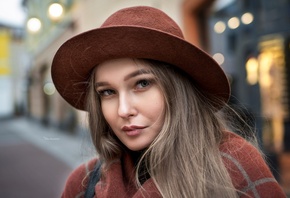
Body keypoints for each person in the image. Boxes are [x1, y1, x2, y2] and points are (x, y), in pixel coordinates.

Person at [51, 6, 286, 198]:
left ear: (178, 90)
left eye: (142, 84)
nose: (123, 110)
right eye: (107, 92)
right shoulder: (84, 184)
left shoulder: (236, 167)